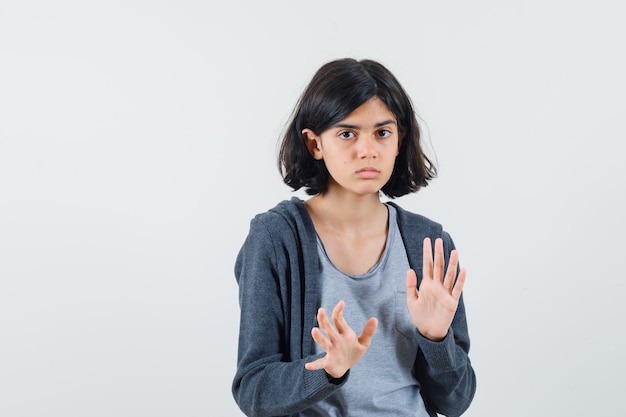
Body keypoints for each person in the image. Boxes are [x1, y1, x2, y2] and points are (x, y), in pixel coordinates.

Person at [232, 58, 476, 417]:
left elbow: (455, 402)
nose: (368, 150)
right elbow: (253, 390)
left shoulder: (428, 243)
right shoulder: (275, 240)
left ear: (399, 140)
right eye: (347, 134)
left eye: (382, 132)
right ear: (315, 144)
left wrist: (437, 340)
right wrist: (328, 369)